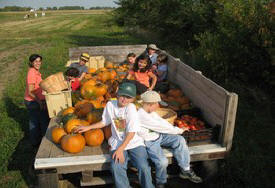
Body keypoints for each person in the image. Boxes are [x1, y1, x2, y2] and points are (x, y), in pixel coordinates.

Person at [75, 82, 154, 188]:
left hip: (133, 142)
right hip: (117, 141)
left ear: (133, 99)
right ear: (117, 94)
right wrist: (87, 127)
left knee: (143, 166)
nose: (124, 99)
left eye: (128, 97)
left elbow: (131, 133)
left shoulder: (131, 108)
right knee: (116, 167)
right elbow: (104, 122)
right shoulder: (110, 105)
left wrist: (121, 149)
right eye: (122, 95)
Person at [138, 91, 203, 188]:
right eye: (156, 104)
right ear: (149, 104)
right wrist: (179, 130)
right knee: (162, 162)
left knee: (179, 140)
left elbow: (161, 122)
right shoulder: (141, 115)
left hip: (159, 135)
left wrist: (177, 130)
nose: (158, 106)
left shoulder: (150, 112)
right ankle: (161, 182)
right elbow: (160, 126)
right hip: (150, 141)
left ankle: (185, 170)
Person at [24, 54, 50, 147]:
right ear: (31, 62)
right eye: (36, 61)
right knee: (39, 121)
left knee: (37, 120)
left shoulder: (36, 71)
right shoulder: (32, 72)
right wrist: (40, 102)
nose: (38, 63)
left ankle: (38, 141)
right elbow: (31, 92)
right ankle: (38, 142)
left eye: (39, 61)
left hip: (36, 101)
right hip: (33, 102)